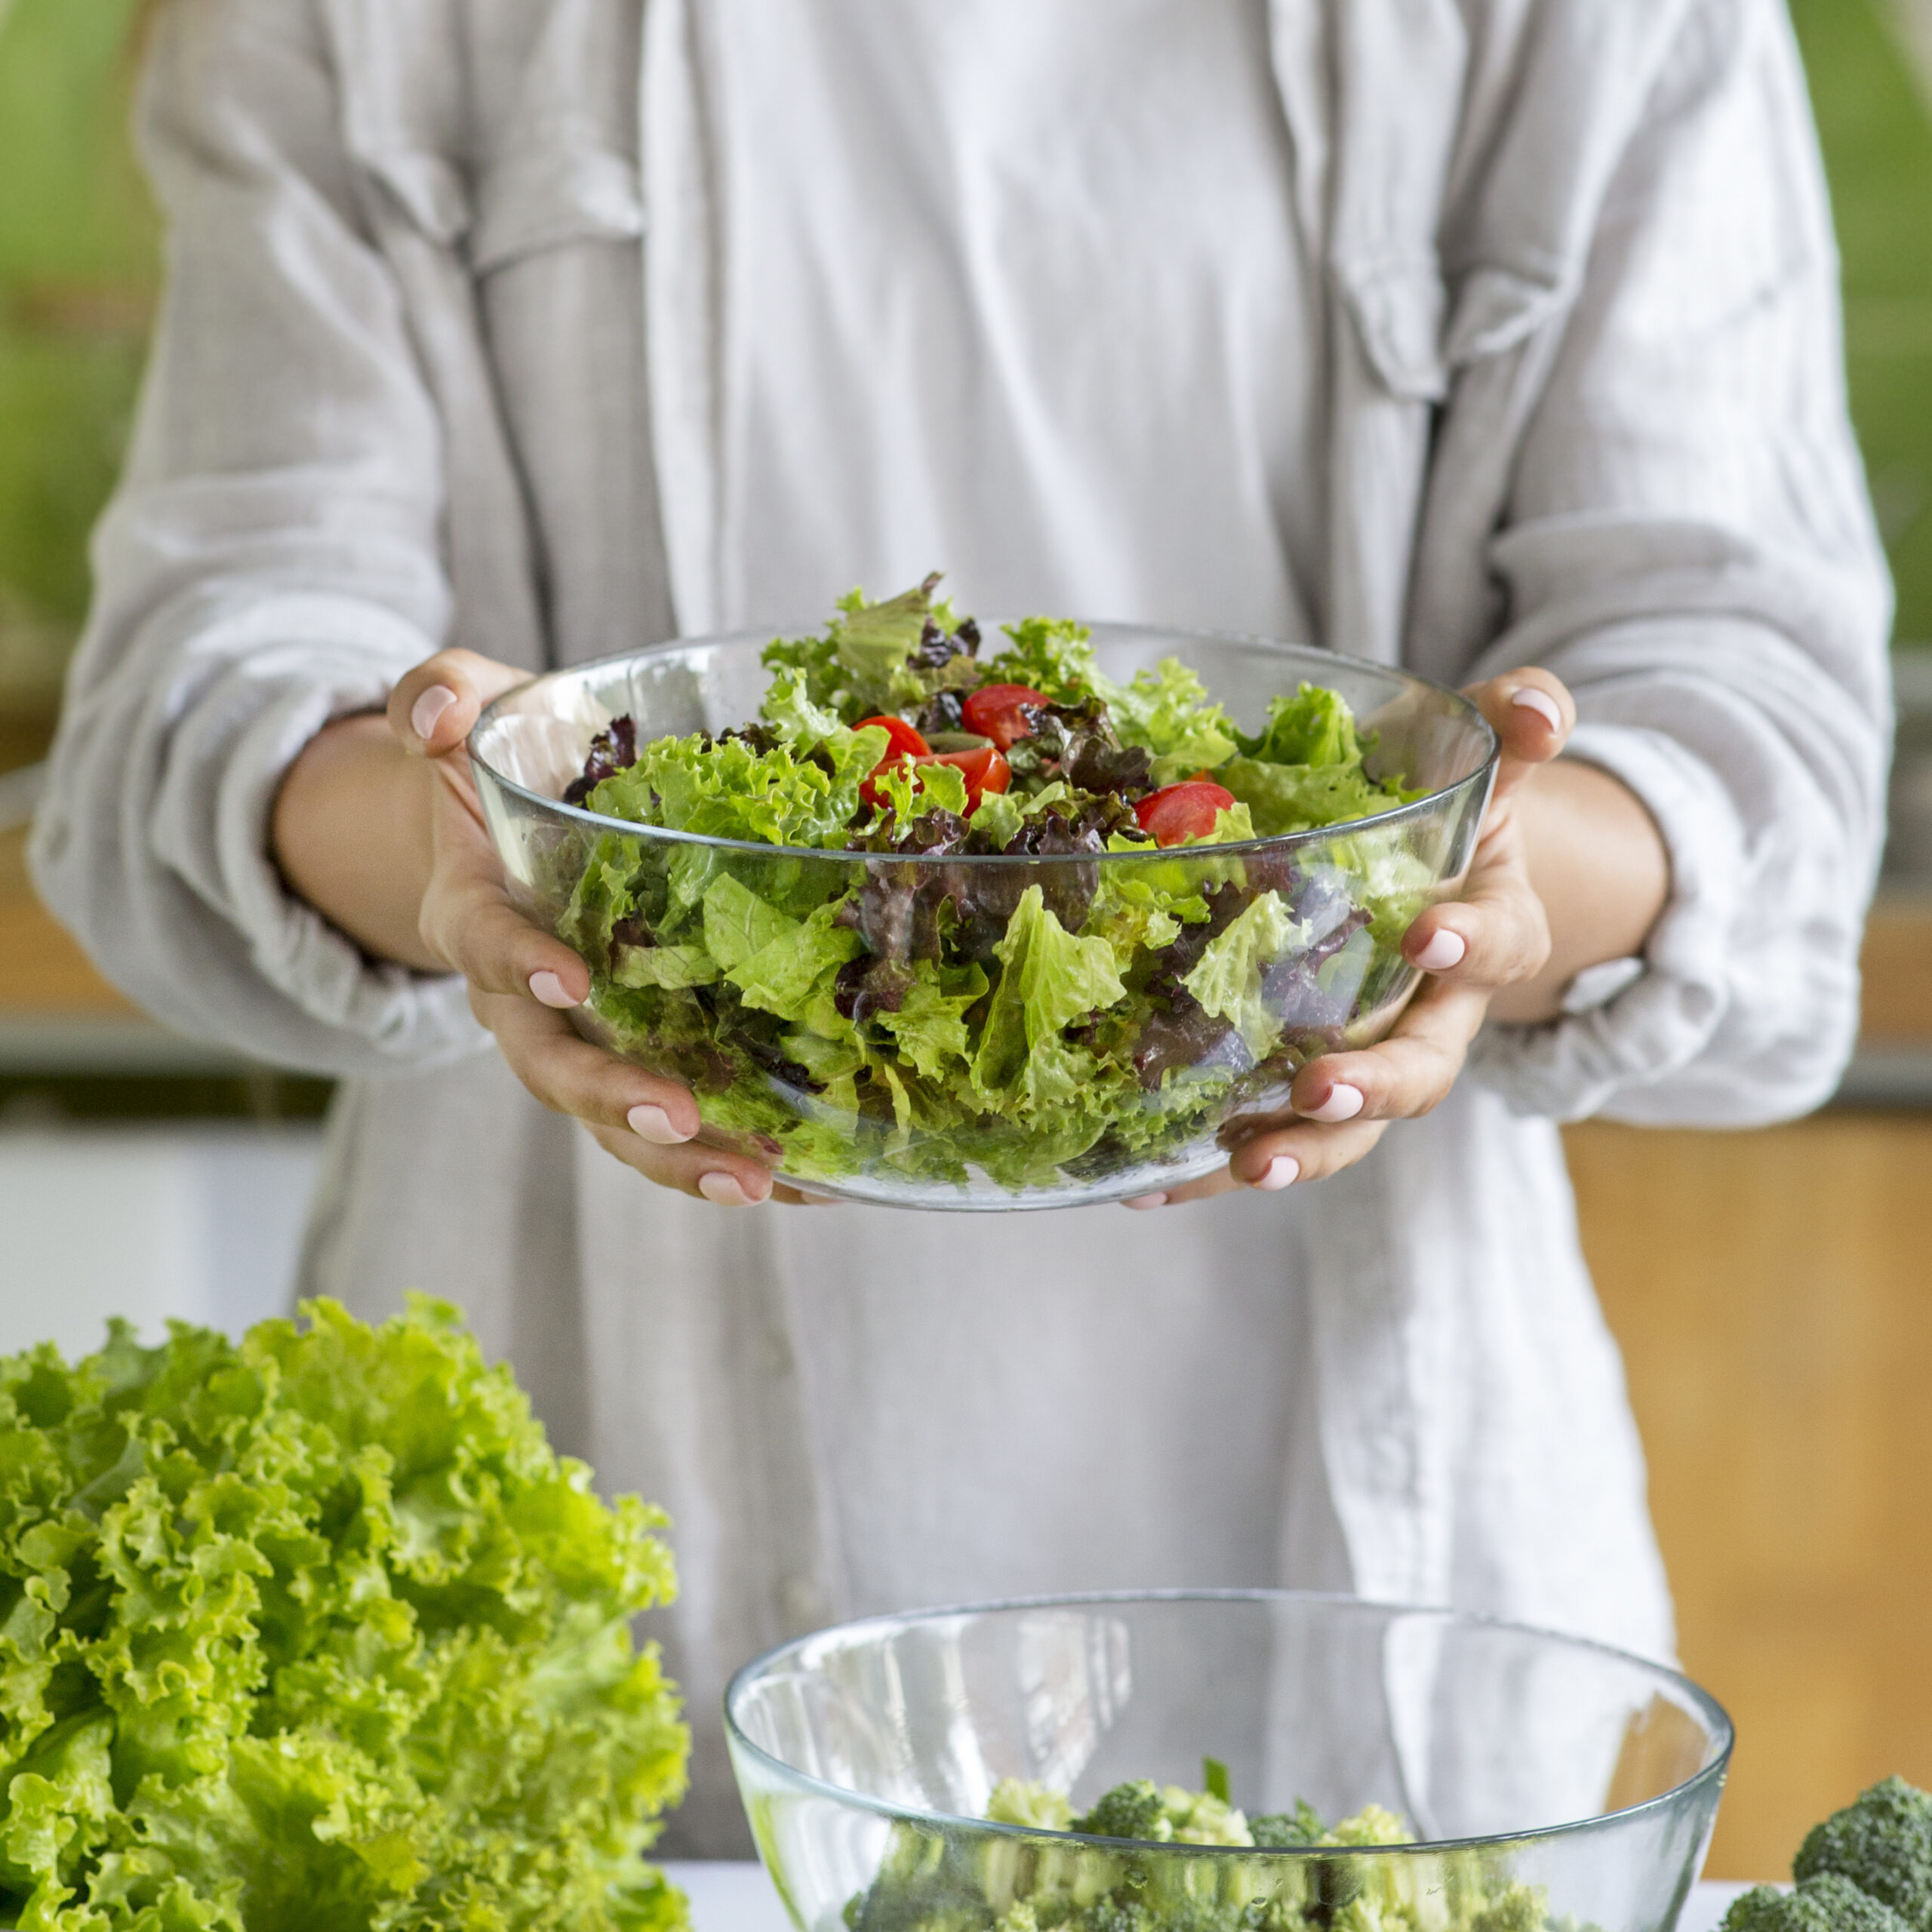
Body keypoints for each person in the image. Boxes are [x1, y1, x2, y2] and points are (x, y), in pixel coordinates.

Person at [32, 0, 1890, 1855]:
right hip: (599, 1463)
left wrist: (1460, 894)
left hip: (1377, 1552)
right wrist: (485, 847)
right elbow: (201, 704)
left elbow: (1745, 709)